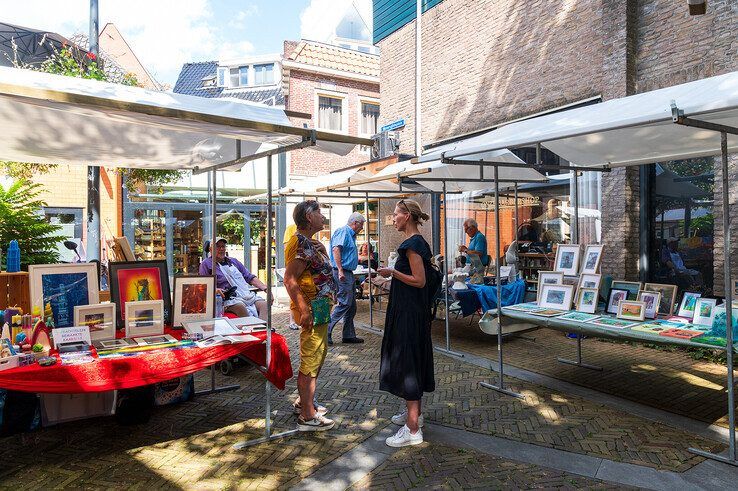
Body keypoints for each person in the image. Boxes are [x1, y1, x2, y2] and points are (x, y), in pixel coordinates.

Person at [377, 199, 435, 447]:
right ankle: (415, 416)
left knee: (409, 362)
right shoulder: (417, 243)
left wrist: (392, 273)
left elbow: (419, 280)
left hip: (409, 314)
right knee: (413, 360)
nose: (393, 218)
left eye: (396, 214)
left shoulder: (411, 245)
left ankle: (412, 430)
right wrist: (391, 280)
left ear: (407, 217)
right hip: (413, 311)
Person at [284, 200, 337, 431]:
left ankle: (304, 402)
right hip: (313, 309)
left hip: (321, 308)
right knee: (311, 359)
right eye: (318, 212)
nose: (322, 216)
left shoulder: (308, 242)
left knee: (317, 356)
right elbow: (289, 278)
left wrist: (322, 251)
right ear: (308, 217)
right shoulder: (300, 243)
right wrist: (304, 309)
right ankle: (307, 415)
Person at [199, 237, 270, 320]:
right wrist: (215, 289)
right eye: (218, 247)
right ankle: (249, 328)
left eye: (223, 246)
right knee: (240, 306)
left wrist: (265, 288)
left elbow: (249, 277)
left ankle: (263, 329)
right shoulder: (206, 264)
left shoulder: (233, 261)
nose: (221, 249)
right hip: (225, 299)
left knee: (265, 305)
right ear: (211, 249)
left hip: (244, 295)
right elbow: (203, 285)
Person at [327, 213, 365, 345]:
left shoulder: (350, 234)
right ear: (355, 223)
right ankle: (326, 331)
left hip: (348, 272)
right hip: (342, 272)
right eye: (362, 225)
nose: (362, 228)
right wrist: (341, 270)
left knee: (351, 306)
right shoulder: (343, 231)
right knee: (345, 303)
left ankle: (348, 335)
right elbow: (336, 250)